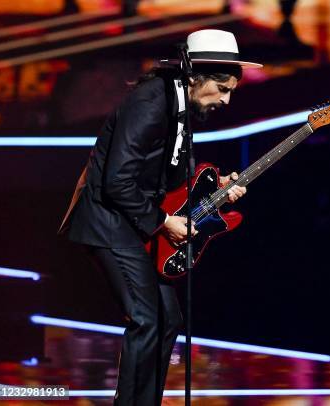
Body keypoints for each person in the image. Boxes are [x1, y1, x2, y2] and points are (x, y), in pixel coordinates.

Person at [58, 29, 262, 406]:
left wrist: (218, 187)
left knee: (168, 319)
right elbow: (118, 180)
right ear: (194, 75)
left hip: (135, 222)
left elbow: (168, 176)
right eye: (221, 88)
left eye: (231, 89)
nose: (226, 99)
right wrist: (164, 222)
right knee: (147, 319)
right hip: (109, 222)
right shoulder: (152, 101)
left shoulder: (180, 104)